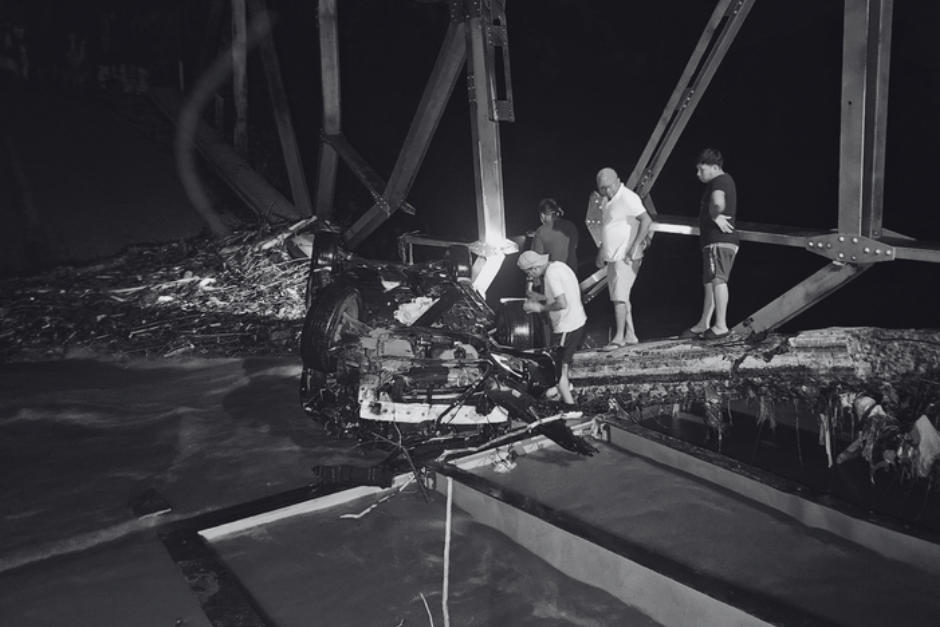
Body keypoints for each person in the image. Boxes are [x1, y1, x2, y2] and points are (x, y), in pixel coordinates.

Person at [517, 250, 586, 406]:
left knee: (558, 370)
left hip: (566, 327)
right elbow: (563, 294)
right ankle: (565, 389)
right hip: (577, 321)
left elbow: (562, 303)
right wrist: (539, 298)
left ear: (533, 268)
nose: (530, 277)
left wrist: (539, 308)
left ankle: (570, 408)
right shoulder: (559, 266)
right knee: (563, 364)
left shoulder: (550, 275)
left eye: (528, 273)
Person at [594, 167, 652, 349]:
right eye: (603, 188)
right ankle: (631, 334)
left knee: (619, 297)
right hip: (613, 256)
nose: (607, 191)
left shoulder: (627, 197)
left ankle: (618, 338)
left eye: (610, 186)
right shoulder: (608, 201)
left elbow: (646, 220)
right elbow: (608, 228)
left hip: (625, 256)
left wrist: (635, 246)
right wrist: (601, 252)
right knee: (622, 296)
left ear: (618, 180)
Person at [683, 148, 738, 340]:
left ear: (714, 167)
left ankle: (721, 325)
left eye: (701, 170)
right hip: (712, 242)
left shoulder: (720, 181)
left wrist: (715, 214)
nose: (698, 174)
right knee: (710, 283)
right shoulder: (719, 181)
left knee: (718, 280)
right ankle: (703, 323)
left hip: (719, 241)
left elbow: (718, 201)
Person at [531, 198, 579, 271]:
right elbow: (574, 247)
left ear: (542, 215)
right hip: (571, 274)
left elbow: (537, 260)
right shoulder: (571, 225)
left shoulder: (540, 231)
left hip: (553, 275)